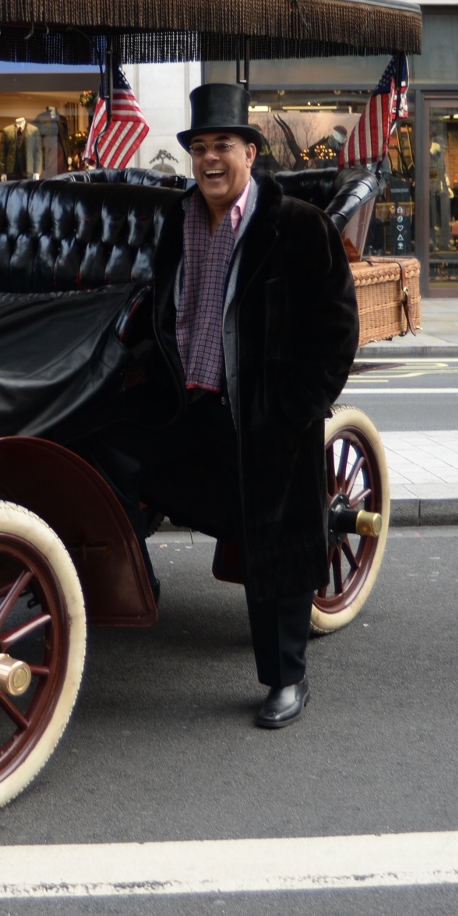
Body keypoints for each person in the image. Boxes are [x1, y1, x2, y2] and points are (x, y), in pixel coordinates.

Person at [84, 83, 358, 728]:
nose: (210, 159)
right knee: (100, 450)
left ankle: (286, 678)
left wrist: (293, 411)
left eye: (223, 147)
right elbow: (162, 307)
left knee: (275, 543)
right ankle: (132, 581)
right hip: (186, 403)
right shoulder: (177, 220)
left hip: (263, 412)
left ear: (250, 152)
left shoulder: (297, 225)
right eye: (200, 147)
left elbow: (336, 330)